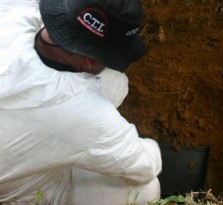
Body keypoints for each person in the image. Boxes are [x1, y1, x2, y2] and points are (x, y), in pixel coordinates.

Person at [0, 0, 162, 204]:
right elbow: (144, 166)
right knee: (145, 189)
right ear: (90, 61)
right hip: (18, 189)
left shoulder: (13, 11)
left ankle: (73, 146)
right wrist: (137, 145)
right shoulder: (85, 112)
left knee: (115, 83)